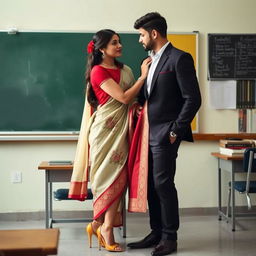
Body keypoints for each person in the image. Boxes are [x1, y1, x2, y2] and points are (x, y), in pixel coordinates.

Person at [68, 29, 151, 252]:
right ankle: (105, 228)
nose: (119, 45)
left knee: (121, 179)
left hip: (123, 130)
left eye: (119, 41)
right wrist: (143, 77)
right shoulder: (97, 71)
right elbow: (124, 97)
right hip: (104, 131)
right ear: (102, 49)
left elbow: (135, 99)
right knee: (106, 179)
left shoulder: (126, 70)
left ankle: (99, 225)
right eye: (114, 43)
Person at [127, 12, 201, 256]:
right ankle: (156, 232)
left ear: (154, 33)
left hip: (165, 134)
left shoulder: (179, 58)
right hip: (146, 132)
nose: (140, 40)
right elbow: (149, 95)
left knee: (163, 184)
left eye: (142, 35)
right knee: (149, 184)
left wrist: (175, 131)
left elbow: (193, 99)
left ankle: (170, 238)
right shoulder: (148, 61)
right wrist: (139, 102)